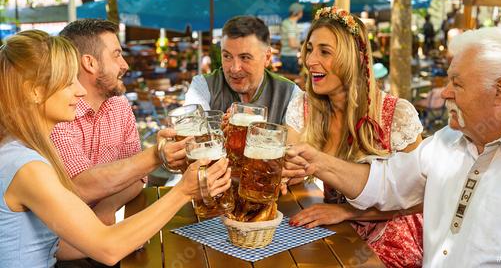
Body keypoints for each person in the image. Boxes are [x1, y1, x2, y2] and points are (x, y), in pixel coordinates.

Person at [285, 27, 501, 267]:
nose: (444, 93)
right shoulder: (447, 142)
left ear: (500, 91)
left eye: (457, 84)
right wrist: (317, 161)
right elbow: (385, 183)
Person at [0, 30, 231, 267]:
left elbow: (57, 246)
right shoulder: (27, 166)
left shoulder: (20, 150)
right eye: (68, 81)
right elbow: (108, 249)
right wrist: (183, 191)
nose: (79, 91)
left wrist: (128, 232)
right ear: (34, 91)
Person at [284, 7, 424, 268]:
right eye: (310, 48)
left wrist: (348, 211)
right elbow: (287, 166)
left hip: (388, 236)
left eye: (324, 51)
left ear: (355, 58)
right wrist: (283, 170)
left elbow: (420, 198)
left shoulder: (395, 115)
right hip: (331, 230)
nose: (310, 60)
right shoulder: (304, 107)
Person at [50, 19, 186, 225]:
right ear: (90, 63)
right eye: (117, 55)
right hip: (56, 244)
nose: (125, 65)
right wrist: (157, 155)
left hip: (104, 236)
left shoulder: (119, 106)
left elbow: (138, 178)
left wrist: (108, 206)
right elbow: (79, 187)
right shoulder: (57, 110)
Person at [185, 16, 302, 124]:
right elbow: (192, 132)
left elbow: (294, 144)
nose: (235, 68)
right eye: (227, 56)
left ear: (267, 57)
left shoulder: (290, 93)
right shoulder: (202, 86)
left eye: (245, 57)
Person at [279, 3, 304, 75]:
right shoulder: (290, 25)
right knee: (292, 80)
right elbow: (292, 43)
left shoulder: (287, 22)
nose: (302, 12)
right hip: (289, 57)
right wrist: (302, 47)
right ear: (298, 12)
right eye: (301, 11)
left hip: (287, 56)